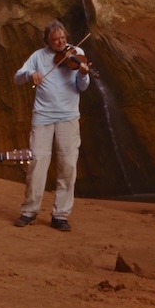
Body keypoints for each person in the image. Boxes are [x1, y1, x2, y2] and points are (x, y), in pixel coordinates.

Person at [12, 20, 90, 231]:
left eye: (63, 38)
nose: (60, 42)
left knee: (68, 165)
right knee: (37, 162)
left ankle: (61, 215)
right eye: (55, 40)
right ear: (47, 40)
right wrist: (30, 74)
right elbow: (17, 78)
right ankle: (29, 211)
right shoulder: (38, 56)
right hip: (43, 116)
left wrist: (83, 74)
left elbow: (82, 87)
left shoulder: (77, 51)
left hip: (68, 116)